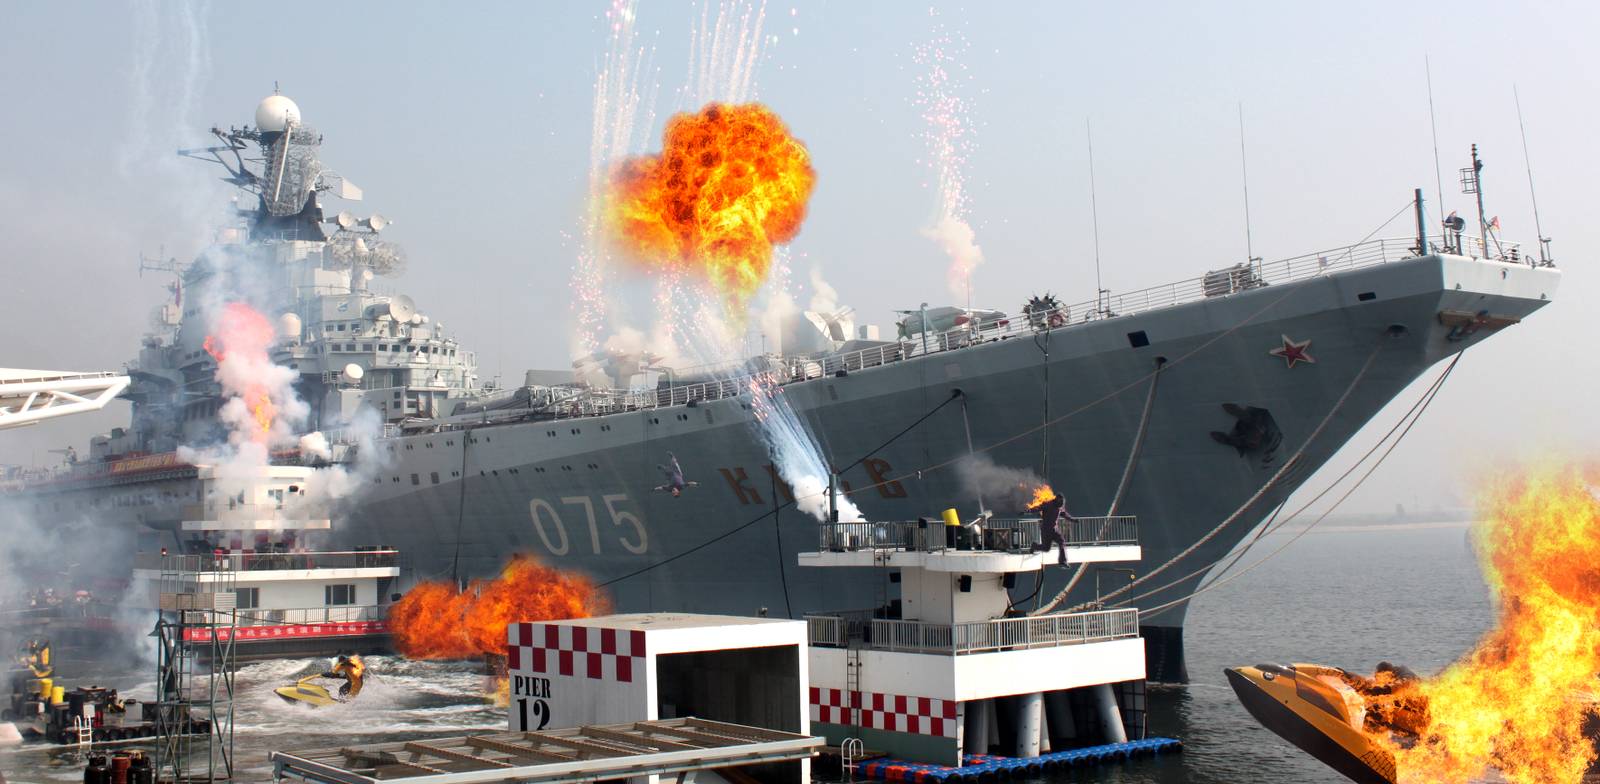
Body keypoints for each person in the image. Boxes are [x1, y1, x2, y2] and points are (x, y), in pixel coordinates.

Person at [1031, 494, 1073, 565]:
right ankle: (1034, 546)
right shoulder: (1048, 504)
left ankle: (1063, 561)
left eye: (1062, 503)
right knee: (1046, 548)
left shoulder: (1060, 507)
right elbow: (1038, 508)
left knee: (1061, 541)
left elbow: (1064, 514)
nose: (1061, 504)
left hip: (1054, 530)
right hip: (1046, 530)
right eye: (1061, 503)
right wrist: (1028, 511)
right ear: (1057, 501)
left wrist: (1072, 519)